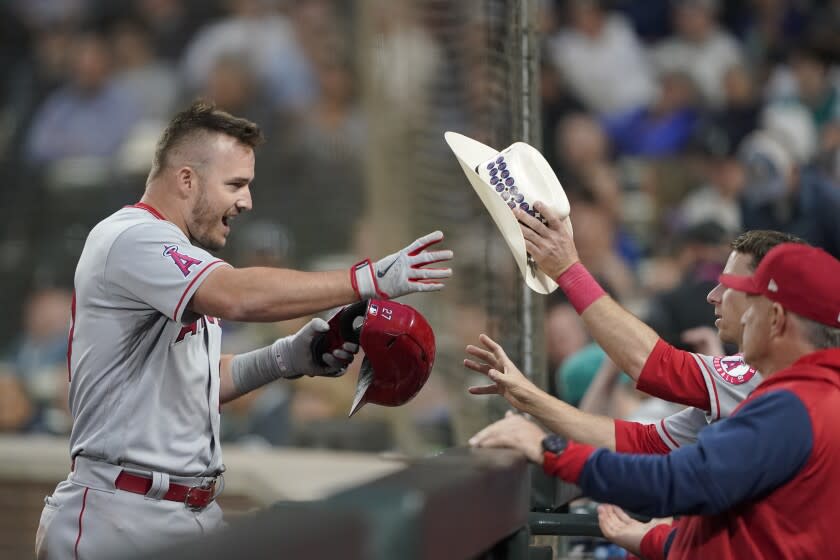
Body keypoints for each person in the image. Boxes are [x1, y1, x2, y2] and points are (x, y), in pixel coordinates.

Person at [34, 100, 453, 559]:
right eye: (236, 184)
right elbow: (238, 296)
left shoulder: (178, 256)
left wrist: (285, 358)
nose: (247, 201)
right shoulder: (131, 237)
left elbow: (194, 384)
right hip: (119, 518)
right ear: (187, 179)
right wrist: (367, 280)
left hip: (181, 513)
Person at [471, 242, 840, 558]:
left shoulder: (794, 408)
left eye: (752, 304)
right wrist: (658, 541)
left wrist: (549, 449)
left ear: (775, 318)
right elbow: (754, 527)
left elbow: (674, 480)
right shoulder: (816, 397)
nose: (744, 319)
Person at [468, 228, 804, 455]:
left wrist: (567, 269)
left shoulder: (770, 377)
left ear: (768, 301)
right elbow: (635, 440)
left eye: (729, 285)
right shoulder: (748, 373)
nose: (713, 296)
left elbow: (653, 365)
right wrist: (528, 397)